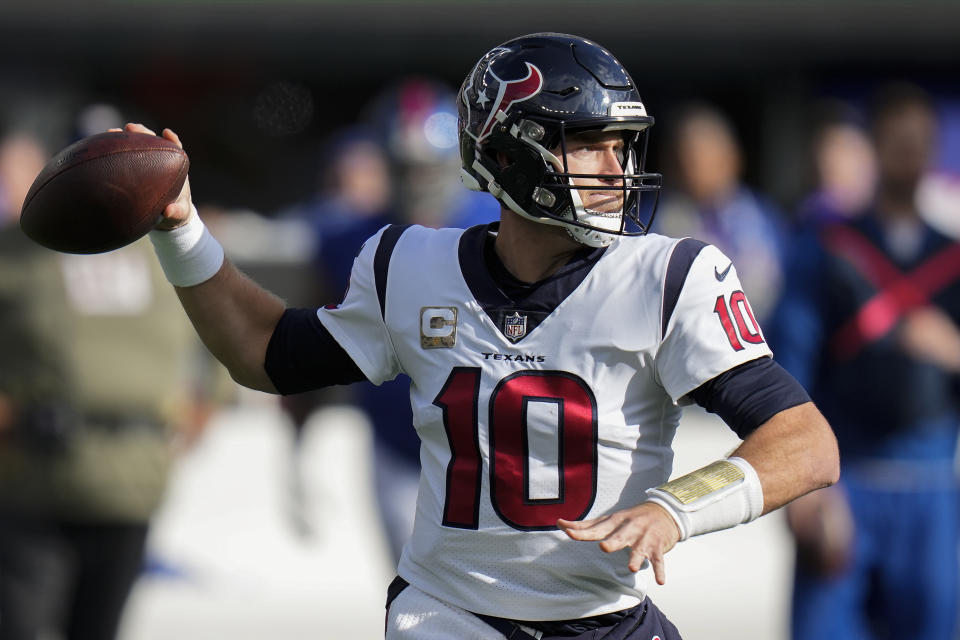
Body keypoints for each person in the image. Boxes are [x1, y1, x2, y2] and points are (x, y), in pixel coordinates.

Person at [116, 32, 838, 638]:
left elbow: (804, 443)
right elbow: (267, 353)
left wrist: (675, 508)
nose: (618, 168)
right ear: (512, 150)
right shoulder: (412, 266)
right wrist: (183, 231)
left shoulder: (670, 276)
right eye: (590, 145)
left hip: (608, 618)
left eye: (623, 145)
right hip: (454, 616)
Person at [0, 126, 225, 640]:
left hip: (130, 480)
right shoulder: (16, 255)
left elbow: (218, 339)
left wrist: (194, 416)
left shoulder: (166, 251)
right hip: (32, 477)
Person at [771, 83, 959, 639]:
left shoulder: (952, 258)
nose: (908, 151)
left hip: (931, 489)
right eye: (895, 138)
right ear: (872, 145)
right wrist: (804, 488)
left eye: (919, 140)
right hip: (845, 480)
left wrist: (951, 349)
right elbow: (788, 369)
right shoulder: (827, 250)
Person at [655, 103, 787, 322]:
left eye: (705, 155)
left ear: (732, 157)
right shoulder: (655, 224)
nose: (693, 167)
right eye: (685, 157)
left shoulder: (765, 217)